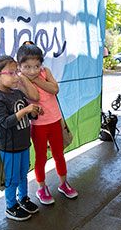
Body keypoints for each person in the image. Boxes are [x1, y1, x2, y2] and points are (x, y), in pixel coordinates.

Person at [17, 42, 78, 204]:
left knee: (59, 154)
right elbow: (35, 97)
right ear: (19, 66)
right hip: (38, 126)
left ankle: (64, 183)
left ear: (41, 64)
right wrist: (30, 79)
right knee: (41, 158)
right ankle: (41, 187)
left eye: (36, 66)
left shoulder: (45, 72)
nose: (33, 70)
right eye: (27, 67)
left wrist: (37, 79)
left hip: (55, 120)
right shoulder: (20, 80)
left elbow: (55, 89)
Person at [0, 54, 41, 221]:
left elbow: (27, 117)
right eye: (12, 73)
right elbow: (5, 122)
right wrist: (25, 110)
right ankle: (11, 206)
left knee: (23, 174)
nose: (17, 76)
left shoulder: (17, 94)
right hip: (10, 147)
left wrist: (34, 112)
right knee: (12, 178)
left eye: (17, 72)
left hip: (23, 144)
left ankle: (23, 199)